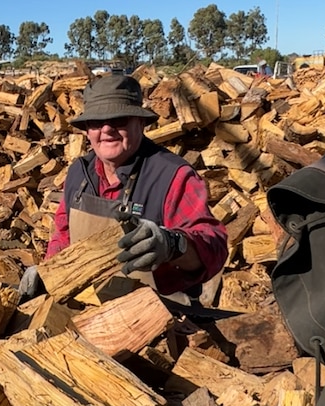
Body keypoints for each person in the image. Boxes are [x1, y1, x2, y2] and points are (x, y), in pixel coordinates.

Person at [19, 74, 227, 301]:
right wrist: (46, 273)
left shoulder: (172, 175)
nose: (107, 129)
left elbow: (214, 247)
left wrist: (172, 243)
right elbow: (63, 235)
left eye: (119, 120)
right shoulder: (79, 173)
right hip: (88, 307)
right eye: (97, 122)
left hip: (162, 311)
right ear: (87, 129)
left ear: (140, 123)